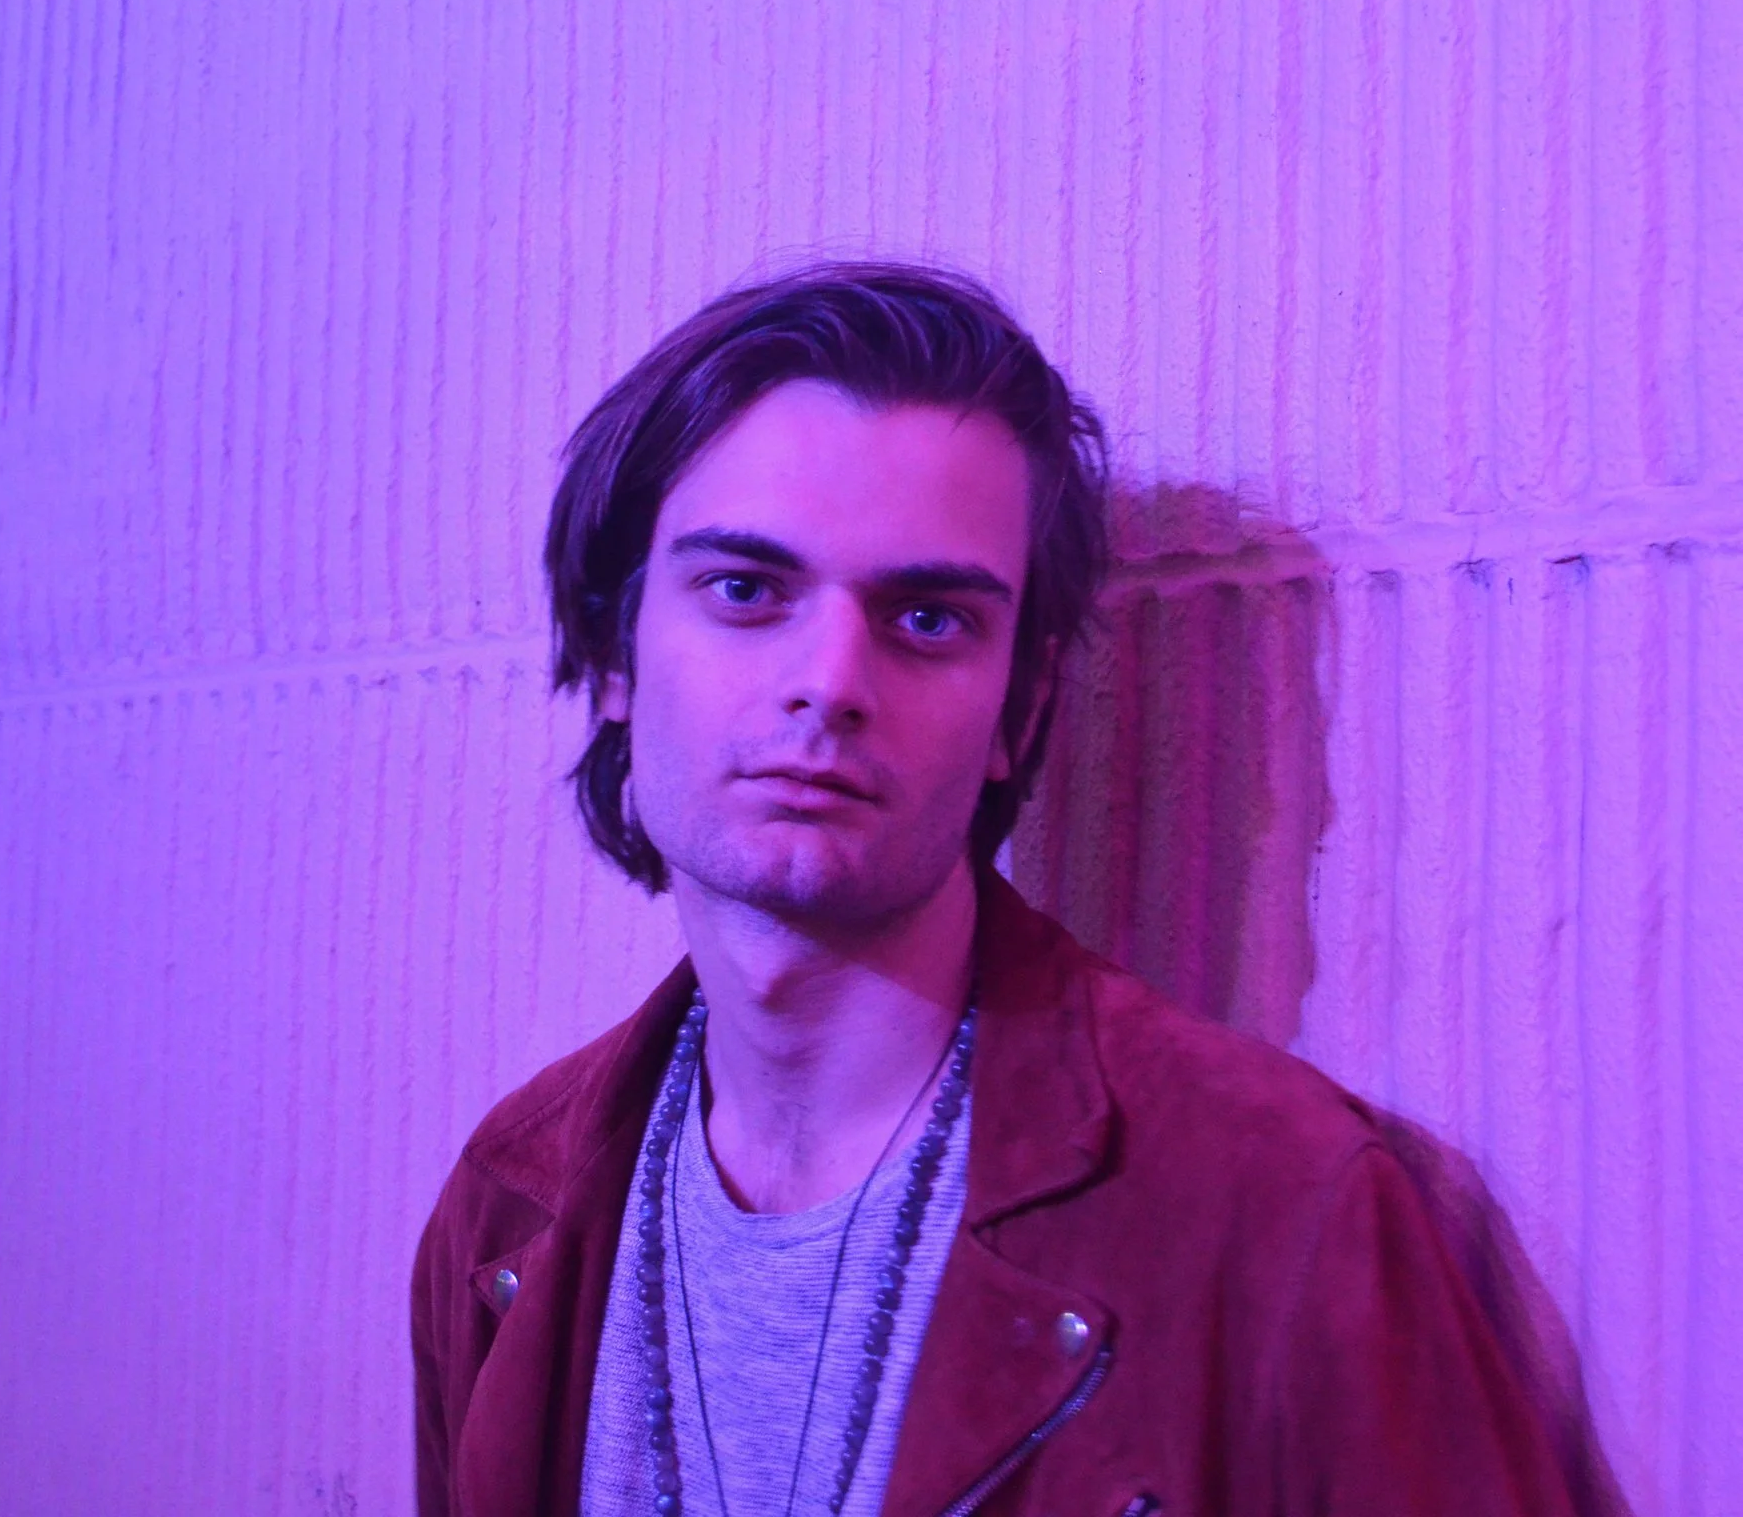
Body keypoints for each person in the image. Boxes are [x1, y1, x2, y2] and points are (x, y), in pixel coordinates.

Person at [410, 261, 1571, 1516]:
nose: (828, 683)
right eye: (745, 590)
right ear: (614, 656)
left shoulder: (1284, 1209)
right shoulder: (509, 1210)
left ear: (1021, 709)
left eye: (927, 620)